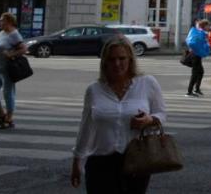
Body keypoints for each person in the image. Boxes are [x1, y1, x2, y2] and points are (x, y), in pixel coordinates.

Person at [70, 36, 167, 193]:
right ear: (104, 61)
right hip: (100, 162)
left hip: (137, 161)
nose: (117, 63)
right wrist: (76, 162)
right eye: (112, 59)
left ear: (130, 59)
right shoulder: (94, 90)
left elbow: (162, 114)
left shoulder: (147, 83)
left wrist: (149, 119)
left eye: (122, 58)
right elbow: (86, 127)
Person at [0, 12, 26, 129]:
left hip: (7, 70)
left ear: (9, 22)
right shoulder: (1, 33)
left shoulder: (14, 34)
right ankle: (2, 114)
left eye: (1, 20)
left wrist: (11, 54)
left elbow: (24, 49)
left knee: (8, 93)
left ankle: (9, 118)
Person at [184, 20, 211, 97]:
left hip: (196, 54)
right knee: (195, 73)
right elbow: (202, 44)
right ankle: (189, 91)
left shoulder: (199, 32)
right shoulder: (201, 33)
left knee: (200, 72)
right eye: (208, 25)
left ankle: (196, 89)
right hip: (195, 55)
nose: (209, 27)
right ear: (204, 26)